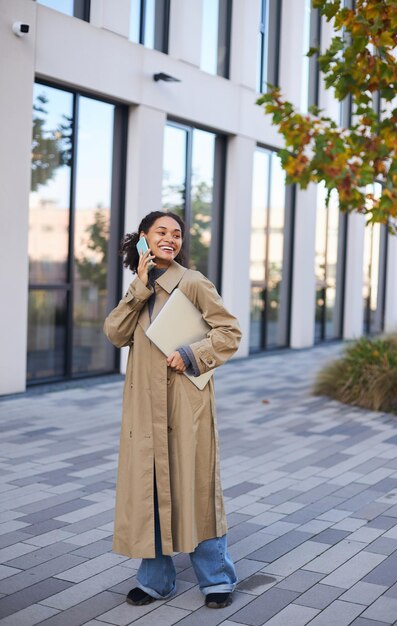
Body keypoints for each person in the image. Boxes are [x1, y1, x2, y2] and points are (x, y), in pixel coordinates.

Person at [103, 211, 242, 609]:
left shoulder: (193, 282)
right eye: (161, 232)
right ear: (144, 239)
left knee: (196, 487)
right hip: (145, 409)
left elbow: (229, 332)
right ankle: (155, 581)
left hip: (187, 405)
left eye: (177, 233)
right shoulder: (139, 289)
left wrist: (191, 353)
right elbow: (115, 334)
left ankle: (216, 579)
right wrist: (139, 289)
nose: (171, 238)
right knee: (150, 490)